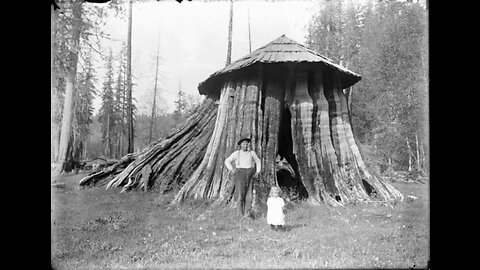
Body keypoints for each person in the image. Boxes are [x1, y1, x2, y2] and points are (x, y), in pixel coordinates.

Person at [224, 138, 261, 217]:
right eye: (244, 144)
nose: (246, 145)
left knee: (249, 195)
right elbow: (227, 161)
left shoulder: (252, 153)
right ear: (240, 145)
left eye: (247, 144)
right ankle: (240, 214)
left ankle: (247, 213)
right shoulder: (237, 153)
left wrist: (258, 171)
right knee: (240, 194)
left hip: (250, 174)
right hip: (240, 174)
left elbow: (258, 161)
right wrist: (231, 169)